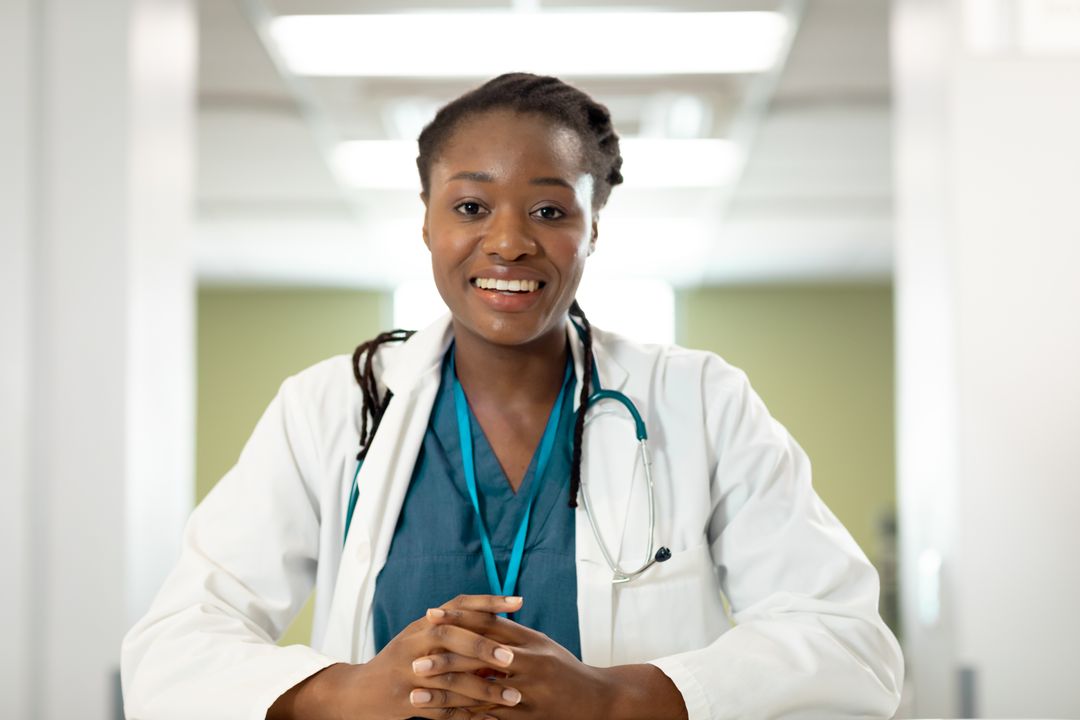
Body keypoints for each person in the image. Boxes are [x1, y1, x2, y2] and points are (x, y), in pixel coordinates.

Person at [121, 73, 903, 720]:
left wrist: (615, 699)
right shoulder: (330, 408)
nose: (506, 241)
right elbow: (172, 649)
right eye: (469, 206)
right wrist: (350, 691)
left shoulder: (697, 400)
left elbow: (845, 645)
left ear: (594, 229)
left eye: (550, 210)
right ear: (426, 224)